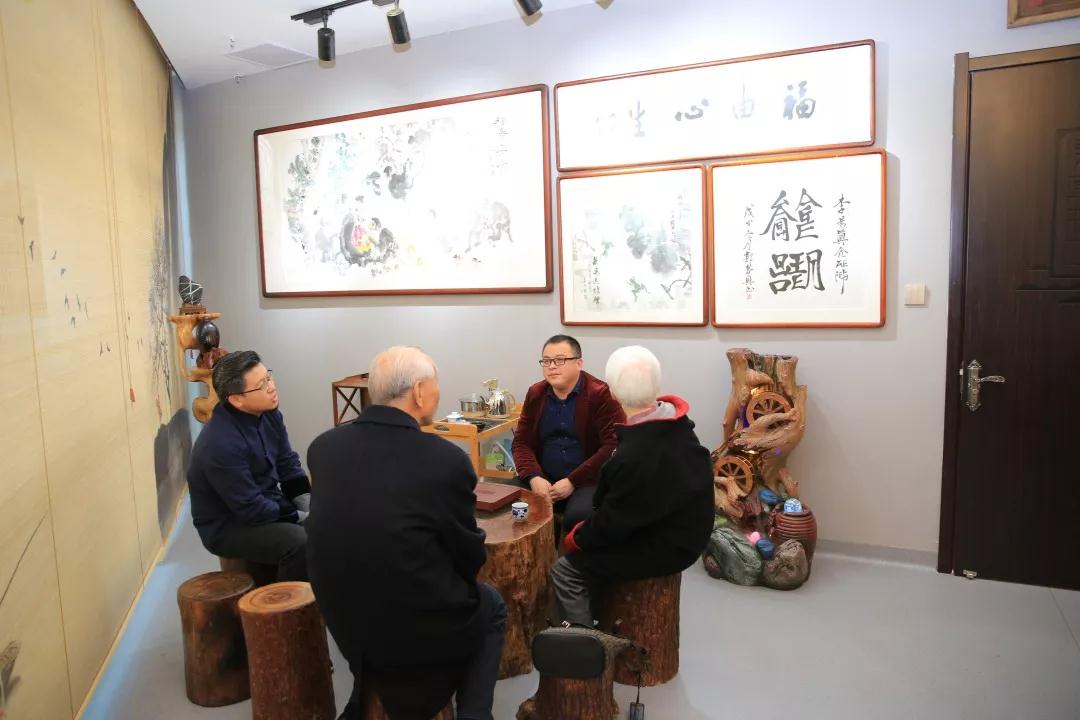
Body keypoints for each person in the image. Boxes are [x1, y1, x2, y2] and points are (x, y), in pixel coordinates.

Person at [306, 346, 506, 720]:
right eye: (436, 383)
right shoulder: (445, 460)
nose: (439, 391)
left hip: (343, 617)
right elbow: (468, 556)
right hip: (411, 630)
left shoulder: (323, 448)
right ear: (418, 391)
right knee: (491, 603)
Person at [550, 346, 714, 627]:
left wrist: (577, 539)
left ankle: (582, 640)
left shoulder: (634, 455)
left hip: (669, 546)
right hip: (686, 528)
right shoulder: (676, 424)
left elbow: (613, 523)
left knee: (565, 570)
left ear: (613, 393)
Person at [187, 350, 310, 581]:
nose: (271, 387)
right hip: (229, 524)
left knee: (331, 521)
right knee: (300, 542)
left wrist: (309, 505)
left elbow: (287, 463)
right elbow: (251, 508)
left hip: (267, 501)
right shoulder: (219, 443)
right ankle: (284, 601)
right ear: (236, 399)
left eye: (269, 377)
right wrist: (299, 517)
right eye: (262, 385)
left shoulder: (269, 414)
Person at [511, 334, 625, 531]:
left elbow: (612, 447)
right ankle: (542, 549)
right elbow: (521, 442)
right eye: (546, 361)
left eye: (560, 360)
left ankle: (565, 550)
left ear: (579, 363)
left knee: (579, 517)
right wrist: (534, 477)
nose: (552, 366)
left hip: (586, 481)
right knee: (506, 503)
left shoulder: (600, 394)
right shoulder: (536, 393)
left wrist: (573, 481)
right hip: (543, 477)